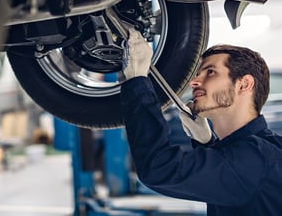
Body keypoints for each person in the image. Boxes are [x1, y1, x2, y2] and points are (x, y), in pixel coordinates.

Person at [120, 28, 282, 216]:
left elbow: (158, 168)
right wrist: (207, 142)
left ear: (244, 84)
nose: (194, 81)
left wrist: (137, 80)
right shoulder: (264, 151)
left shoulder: (255, 159)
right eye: (198, 73)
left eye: (210, 72)